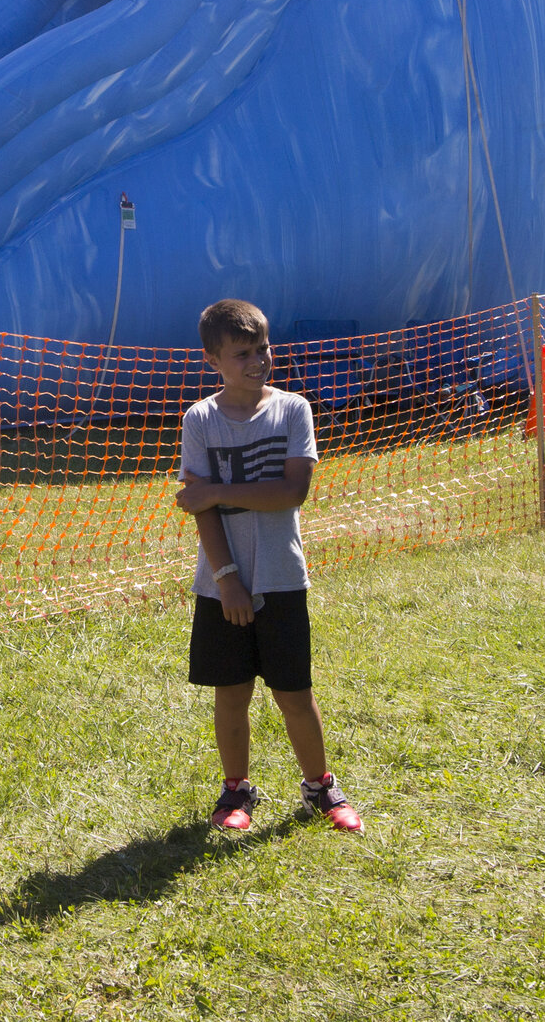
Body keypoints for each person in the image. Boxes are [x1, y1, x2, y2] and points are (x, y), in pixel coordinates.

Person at [174, 297, 362, 834]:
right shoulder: (200, 420)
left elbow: (290, 492)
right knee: (231, 694)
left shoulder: (293, 409)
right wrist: (228, 579)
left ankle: (320, 788)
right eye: (242, 353)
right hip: (222, 586)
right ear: (213, 360)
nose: (258, 361)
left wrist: (213, 490)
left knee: (294, 694)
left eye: (263, 348)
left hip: (282, 577)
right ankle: (236, 791)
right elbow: (201, 512)